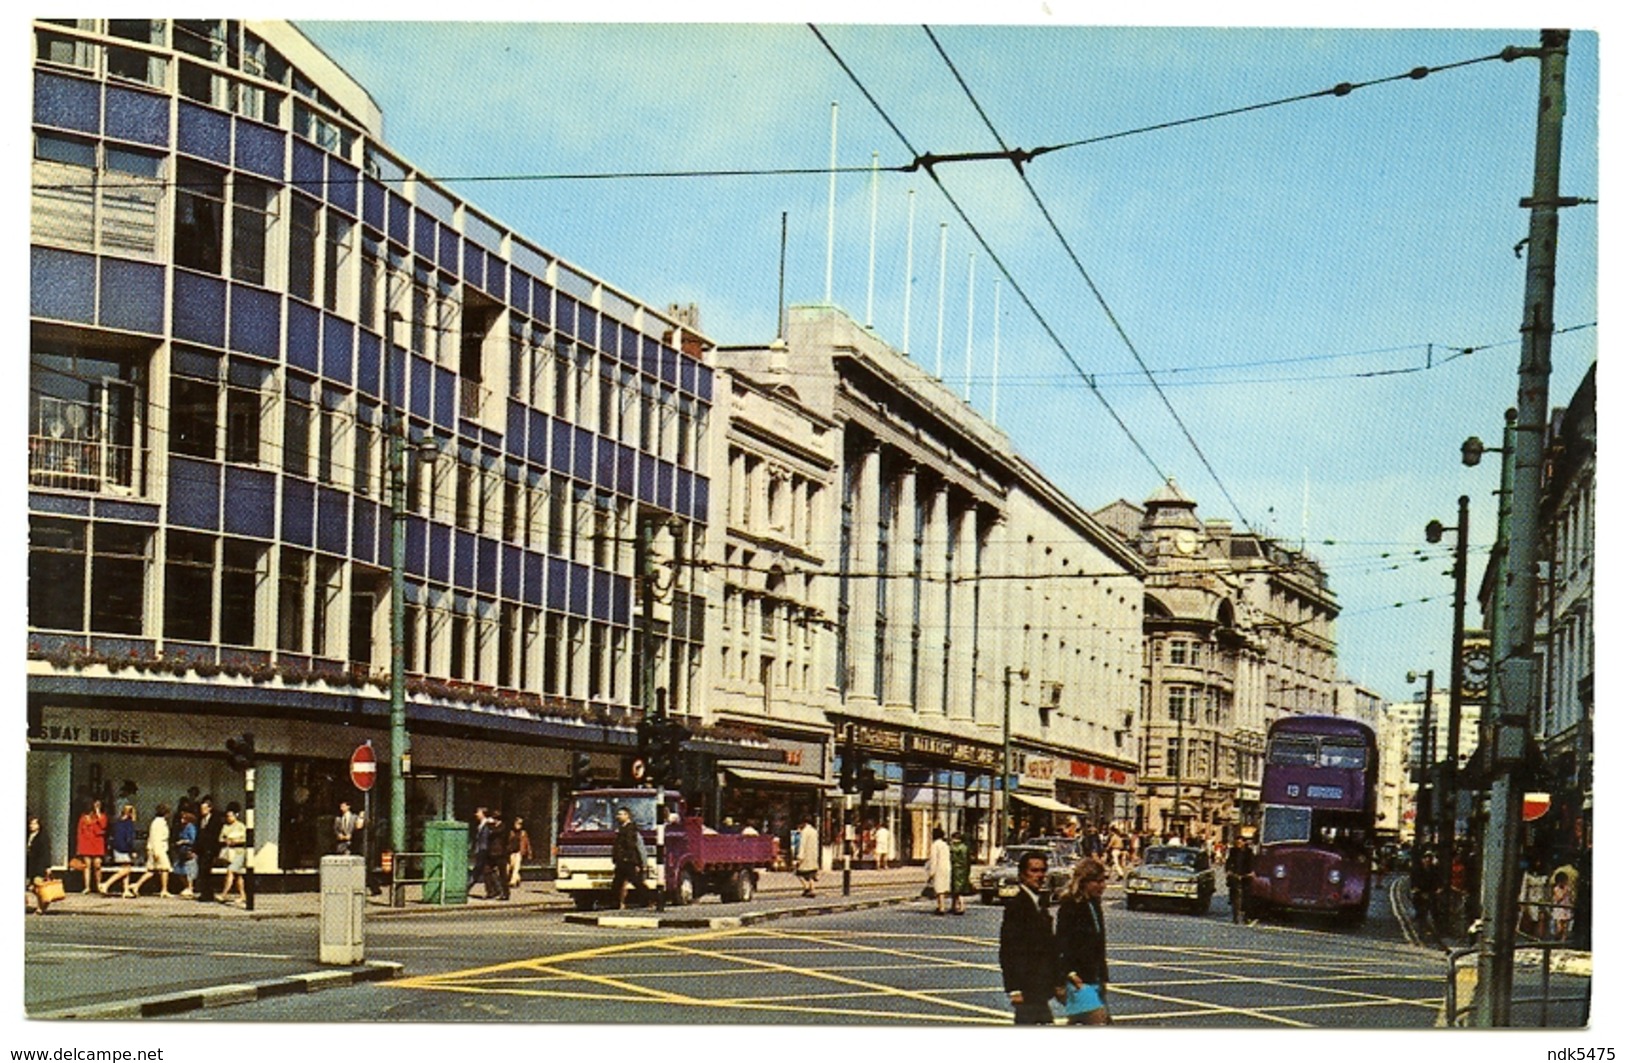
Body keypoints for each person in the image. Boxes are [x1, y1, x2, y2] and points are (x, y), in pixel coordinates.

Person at [999, 850, 1061, 1025]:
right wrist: (1014, 988)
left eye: (1042, 871)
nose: (1040, 876)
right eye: (1034, 871)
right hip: (1027, 986)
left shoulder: (1038, 901)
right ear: (1022, 875)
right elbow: (1008, 950)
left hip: (1040, 985)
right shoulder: (1017, 906)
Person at [1055, 857, 1111, 1025]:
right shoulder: (1071, 905)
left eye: (1103, 881)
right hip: (1077, 978)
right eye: (1097, 882)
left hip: (1093, 977)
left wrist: (1102, 977)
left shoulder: (1093, 904)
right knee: (1099, 1022)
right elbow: (1061, 942)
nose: (1102, 886)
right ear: (1084, 881)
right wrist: (1068, 973)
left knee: (1082, 1023)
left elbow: (1098, 945)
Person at [127, 803, 174, 898]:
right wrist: (156, 851)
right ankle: (164, 890)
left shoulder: (159, 822)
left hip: (156, 848)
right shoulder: (158, 823)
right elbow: (155, 838)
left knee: (151, 871)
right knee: (165, 869)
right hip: (158, 849)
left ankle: (136, 885)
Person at [100, 803, 140, 896]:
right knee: (127, 870)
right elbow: (129, 838)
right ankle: (106, 884)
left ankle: (125, 890)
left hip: (117, 848)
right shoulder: (129, 824)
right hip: (124, 848)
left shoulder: (117, 823)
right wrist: (132, 850)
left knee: (125, 868)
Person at [611, 806, 648, 909]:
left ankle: (648, 899)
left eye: (620, 814)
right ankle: (617, 903)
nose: (617, 816)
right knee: (617, 884)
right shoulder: (621, 829)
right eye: (618, 814)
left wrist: (641, 863)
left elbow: (637, 847)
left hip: (629, 861)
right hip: (622, 861)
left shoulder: (632, 830)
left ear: (627, 816)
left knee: (636, 881)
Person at [193, 797, 223, 902]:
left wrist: (215, 850)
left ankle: (208, 893)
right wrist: (195, 849)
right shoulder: (201, 820)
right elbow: (199, 836)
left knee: (206, 871)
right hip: (202, 850)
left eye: (204, 809)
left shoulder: (215, 820)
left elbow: (215, 836)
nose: (202, 811)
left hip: (210, 850)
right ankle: (204, 893)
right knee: (202, 871)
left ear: (210, 808)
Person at [75, 798, 108, 893]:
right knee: (87, 865)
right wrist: (79, 847)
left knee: (97, 864)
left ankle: (99, 885)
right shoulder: (83, 818)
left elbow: (103, 826)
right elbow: (79, 832)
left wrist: (98, 813)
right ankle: (87, 886)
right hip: (86, 842)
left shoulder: (102, 816)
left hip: (97, 842)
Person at [217, 804, 248, 904]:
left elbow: (245, 839)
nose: (228, 818)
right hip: (229, 853)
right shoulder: (225, 826)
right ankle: (243, 895)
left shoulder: (241, 826)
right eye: (227, 816)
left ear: (236, 815)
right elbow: (220, 838)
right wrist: (226, 840)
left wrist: (236, 841)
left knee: (230, 871)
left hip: (239, 852)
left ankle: (224, 894)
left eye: (231, 816)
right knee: (238, 875)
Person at [27, 815, 55, 915]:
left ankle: (41, 907)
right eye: (31, 823)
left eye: (34, 823)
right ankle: (45, 901)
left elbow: (46, 852)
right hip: (31, 865)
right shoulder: (29, 835)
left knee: (38, 885)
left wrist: (48, 866)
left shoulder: (42, 837)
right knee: (33, 888)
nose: (32, 826)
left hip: (40, 864)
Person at [1225, 837, 1254, 924]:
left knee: (1247, 897)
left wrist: (1250, 872)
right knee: (1235, 897)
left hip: (1246, 875)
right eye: (1237, 843)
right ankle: (1235, 916)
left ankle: (1247, 917)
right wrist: (1229, 871)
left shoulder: (1249, 852)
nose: (1238, 844)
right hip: (1235, 875)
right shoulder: (1232, 851)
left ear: (1244, 843)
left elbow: (1252, 863)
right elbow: (1229, 861)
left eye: (1240, 843)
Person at [483, 808, 510, 900]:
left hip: (500, 853)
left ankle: (505, 893)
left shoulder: (502, 827)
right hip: (491, 853)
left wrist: (487, 824)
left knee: (503, 874)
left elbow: (495, 832)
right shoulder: (491, 826)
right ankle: (491, 891)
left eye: (495, 818)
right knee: (486, 871)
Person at [925, 826, 952, 914]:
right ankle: (943, 906)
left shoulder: (935, 845)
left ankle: (941, 907)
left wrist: (931, 873)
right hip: (947, 867)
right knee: (943, 887)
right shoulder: (945, 845)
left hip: (939, 868)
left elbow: (934, 859)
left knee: (939, 888)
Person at [172, 810, 199, 898]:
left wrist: (183, 841)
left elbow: (193, 839)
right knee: (178, 869)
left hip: (189, 850)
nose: (181, 820)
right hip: (182, 851)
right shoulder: (182, 828)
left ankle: (190, 887)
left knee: (189, 869)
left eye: (184, 818)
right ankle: (186, 886)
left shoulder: (190, 827)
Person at [948, 830, 972, 915]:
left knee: (957, 890)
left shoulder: (954, 847)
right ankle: (954, 906)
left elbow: (952, 858)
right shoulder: (965, 847)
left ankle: (961, 906)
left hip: (956, 869)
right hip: (964, 870)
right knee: (958, 889)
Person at [796, 816, 820, 897]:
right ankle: (812, 889)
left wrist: (800, 857)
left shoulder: (804, 832)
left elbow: (802, 845)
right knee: (811, 875)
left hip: (806, 857)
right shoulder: (814, 831)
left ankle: (806, 887)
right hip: (813, 856)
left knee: (798, 873)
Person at [469, 807, 490, 896]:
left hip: (484, 851)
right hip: (480, 850)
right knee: (486, 872)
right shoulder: (481, 824)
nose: (476, 814)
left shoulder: (487, 824)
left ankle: (466, 887)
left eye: (478, 812)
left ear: (483, 814)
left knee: (479, 871)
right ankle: (494, 890)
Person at [509, 816, 533, 890]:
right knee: (511, 867)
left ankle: (512, 881)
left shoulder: (523, 833)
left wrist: (529, 853)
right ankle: (517, 879)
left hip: (519, 852)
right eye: (518, 823)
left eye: (520, 824)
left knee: (516, 867)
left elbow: (527, 843)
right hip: (511, 852)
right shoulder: (511, 832)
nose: (519, 825)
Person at [1550, 870, 1574, 941]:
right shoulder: (1556, 889)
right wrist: (1564, 892)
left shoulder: (1568, 888)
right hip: (1559, 909)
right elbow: (1559, 898)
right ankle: (1556, 939)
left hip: (1566, 909)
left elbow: (1571, 898)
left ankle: (1563, 942)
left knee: (1565, 928)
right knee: (1559, 928)